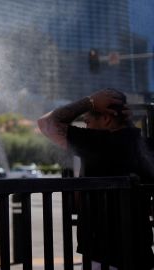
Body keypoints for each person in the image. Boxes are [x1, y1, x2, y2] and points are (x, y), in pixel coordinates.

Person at [37, 88, 154, 270]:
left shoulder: (96, 143)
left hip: (103, 255)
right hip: (141, 251)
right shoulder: (144, 145)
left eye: (88, 121)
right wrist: (127, 121)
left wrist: (89, 102)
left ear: (106, 119)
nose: (86, 125)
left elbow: (46, 123)